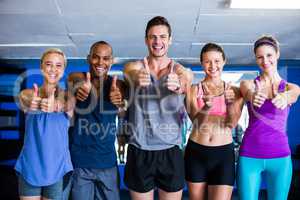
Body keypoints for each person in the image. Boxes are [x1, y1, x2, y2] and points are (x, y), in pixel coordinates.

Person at [123, 16, 193, 200]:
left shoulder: (181, 71)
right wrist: (138, 78)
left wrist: (178, 85)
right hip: (139, 150)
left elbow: (185, 81)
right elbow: (129, 71)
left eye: (162, 37)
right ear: (146, 40)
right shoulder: (135, 66)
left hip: (170, 150)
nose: (157, 42)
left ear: (170, 40)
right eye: (153, 37)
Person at [238, 35, 300, 200]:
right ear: (256, 59)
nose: (265, 60)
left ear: (277, 54)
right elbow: (246, 90)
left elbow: (294, 94)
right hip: (250, 155)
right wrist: (253, 95)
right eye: (260, 57)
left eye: (269, 55)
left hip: (280, 156)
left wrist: (285, 97)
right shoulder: (249, 84)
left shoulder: (289, 87)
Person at [184, 43, 244, 200]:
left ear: (224, 61)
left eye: (217, 61)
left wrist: (230, 105)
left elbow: (231, 123)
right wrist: (206, 106)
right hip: (196, 152)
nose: (212, 66)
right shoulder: (192, 91)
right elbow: (197, 123)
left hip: (223, 154)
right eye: (207, 61)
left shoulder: (235, 91)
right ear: (202, 63)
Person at [67, 41, 125, 200]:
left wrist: (120, 102)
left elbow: (124, 114)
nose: (100, 62)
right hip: (80, 162)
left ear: (111, 61)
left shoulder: (119, 85)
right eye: (96, 57)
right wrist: (81, 89)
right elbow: (74, 79)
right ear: (88, 58)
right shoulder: (76, 79)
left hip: (107, 162)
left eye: (106, 58)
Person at [16, 48, 74, 200]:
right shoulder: (30, 93)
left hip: (57, 169)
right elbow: (24, 97)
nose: (53, 69)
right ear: (41, 67)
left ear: (63, 70)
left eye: (58, 65)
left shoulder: (68, 96)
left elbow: (67, 104)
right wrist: (38, 101)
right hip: (30, 167)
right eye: (49, 64)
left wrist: (55, 106)